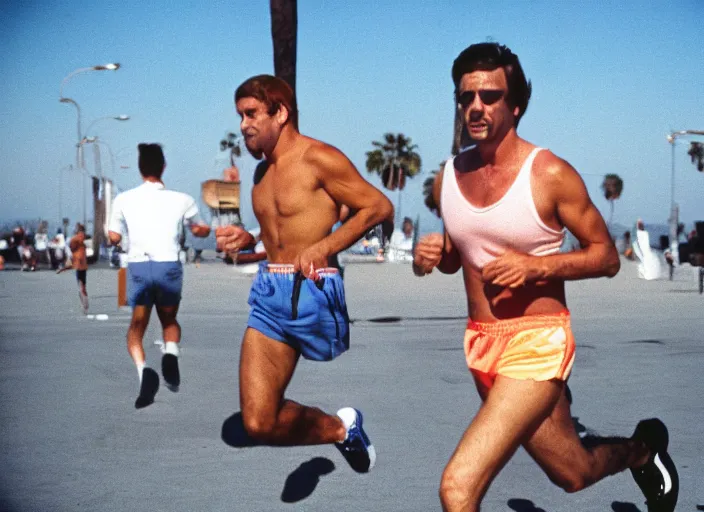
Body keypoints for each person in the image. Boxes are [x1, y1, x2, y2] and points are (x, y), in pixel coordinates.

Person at [413, 42, 678, 511]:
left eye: (489, 96)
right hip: (481, 342)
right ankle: (642, 451)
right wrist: (434, 255)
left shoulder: (549, 173)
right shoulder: (448, 177)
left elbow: (606, 257)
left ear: (515, 105)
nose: (475, 106)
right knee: (572, 473)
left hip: (537, 343)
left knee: (458, 486)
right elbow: (461, 256)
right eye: (465, 97)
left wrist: (534, 267)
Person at [215, 75, 393, 473]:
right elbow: (276, 237)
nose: (243, 124)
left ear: (280, 112)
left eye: (251, 113)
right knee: (258, 422)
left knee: (264, 416)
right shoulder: (261, 177)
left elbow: (378, 207)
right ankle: (340, 430)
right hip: (268, 291)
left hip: (311, 291)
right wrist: (246, 240)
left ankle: (340, 429)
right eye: (240, 116)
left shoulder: (319, 158)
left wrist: (324, 247)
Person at [107, 143, 211, 409]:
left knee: (136, 327)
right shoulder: (183, 199)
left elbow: (114, 236)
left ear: (140, 168)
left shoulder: (123, 199)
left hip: (139, 265)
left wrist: (118, 240)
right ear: (164, 166)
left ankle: (145, 372)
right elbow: (199, 229)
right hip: (169, 265)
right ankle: (171, 353)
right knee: (169, 321)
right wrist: (202, 231)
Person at [58, 224, 89, 313]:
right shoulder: (85, 238)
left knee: (79, 284)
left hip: (78, 263)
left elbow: (71, 248)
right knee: (83, 283)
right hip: (84, 263)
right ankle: (85, 300)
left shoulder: (74, 239)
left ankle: (84, 304)